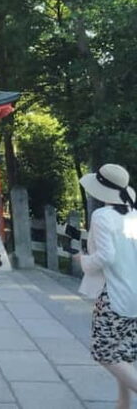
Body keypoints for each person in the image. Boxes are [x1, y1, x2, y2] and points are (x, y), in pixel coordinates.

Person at [77, 164, 137, 409]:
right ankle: (123, 403)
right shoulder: (132, 214)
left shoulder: (102, 216)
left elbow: (106, 256)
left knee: (104, 353)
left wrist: (83, 260)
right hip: (134, 292)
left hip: (113, 293)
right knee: (124, 352)